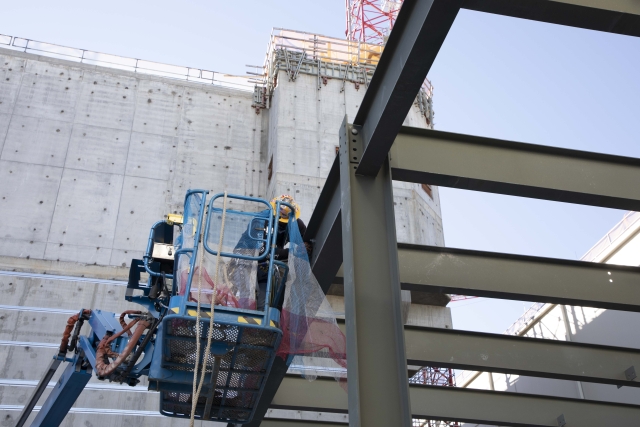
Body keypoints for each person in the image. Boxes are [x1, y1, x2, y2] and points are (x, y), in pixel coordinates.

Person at [256, 194, 312, 312]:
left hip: (271, 265)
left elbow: (305, 237)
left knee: (277, 300)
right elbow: (264, 252)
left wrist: (306, 245)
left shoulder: (293, 222)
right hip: (250, 260)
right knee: (260, 301)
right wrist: (293, 251)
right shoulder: (263, 221)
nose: (283, 223)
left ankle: (275, 318)